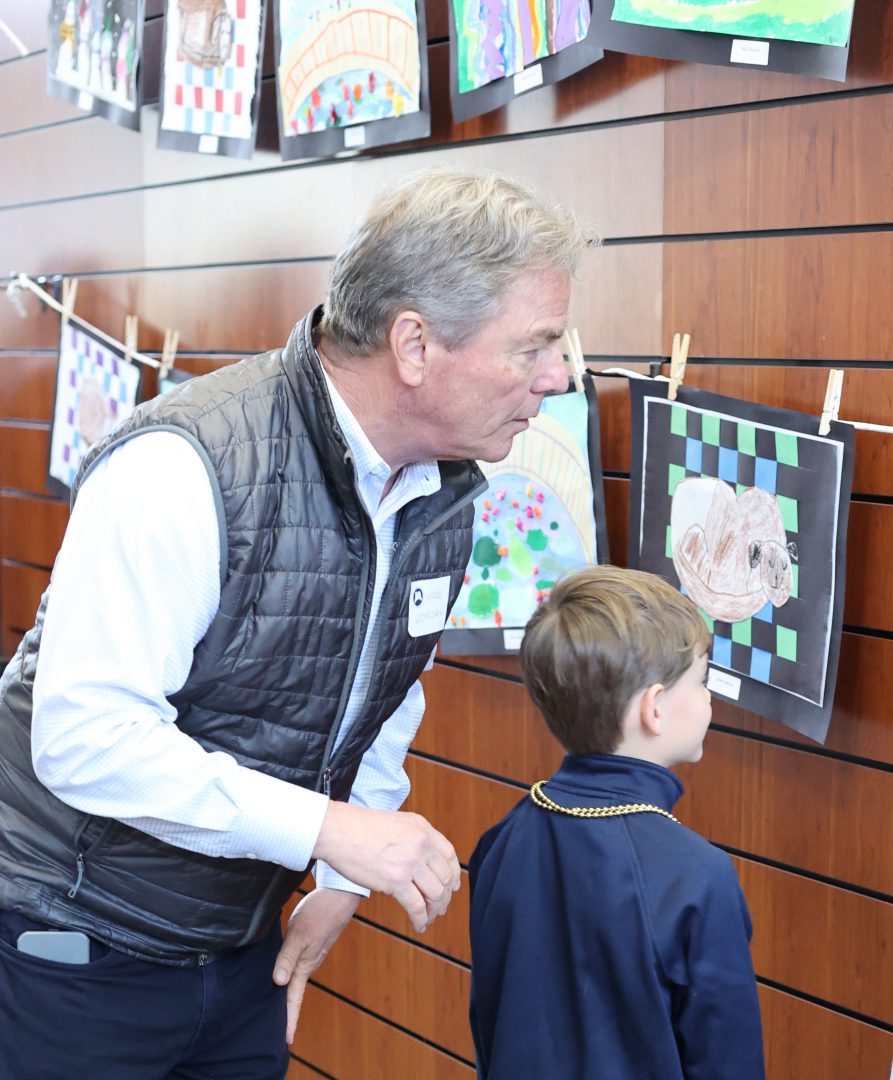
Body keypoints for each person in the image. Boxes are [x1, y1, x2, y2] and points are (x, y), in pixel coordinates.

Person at [0, 167, 589, 1079]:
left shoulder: (444, 490)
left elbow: (387, 685)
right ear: (414, 344)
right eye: (534, 346)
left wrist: (342, 878)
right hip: (68, 949)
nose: (559, 376)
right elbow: (85, 736)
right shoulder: (179, 468)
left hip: (240, 957)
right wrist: (329, 832)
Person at [468, 565, 765, 1080]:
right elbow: (728, 1064)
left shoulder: (501, 840)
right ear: (654, 709)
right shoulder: (699, 877)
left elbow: (489, 1022)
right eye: (701, 680)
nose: (708, 697)